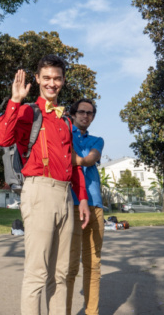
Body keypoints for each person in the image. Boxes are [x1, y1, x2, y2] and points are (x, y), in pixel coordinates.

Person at [0, 54, 90, 315]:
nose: (52, 83)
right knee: (37, 273)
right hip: (39, 190)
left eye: (57, 78)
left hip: (64, 195)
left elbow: (72, 163)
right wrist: (15, 100)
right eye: (46, 78)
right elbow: (4, 139)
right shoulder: (28, 111)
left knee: (60, 273)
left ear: (63, 81)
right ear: (37, 79)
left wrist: (81, 197)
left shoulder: (66, 120)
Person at [66, 98, 105, 315]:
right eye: (81, 112)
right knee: (70, 266)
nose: (85, 116)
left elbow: (91, 159)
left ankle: (92, 312)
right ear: (73, 114)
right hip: (71, 204)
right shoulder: (64, 134)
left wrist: (74, 159)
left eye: (90, 113)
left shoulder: (97, 140)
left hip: (95, 205)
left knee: (93, 265)